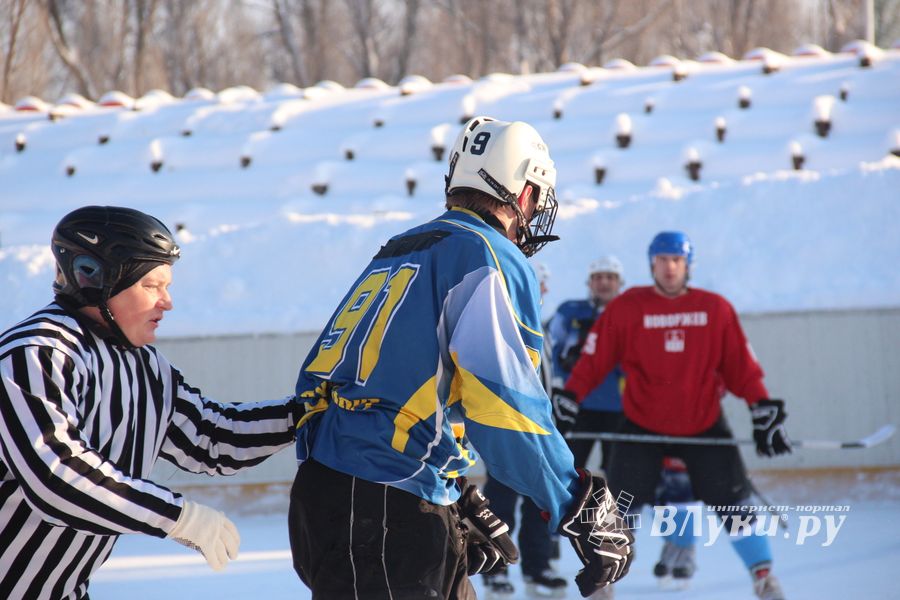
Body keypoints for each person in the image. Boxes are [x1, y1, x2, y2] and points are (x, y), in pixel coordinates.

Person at [288, 116, 634, 600]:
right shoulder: (485, 254)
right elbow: (505, 407)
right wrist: (575, 502)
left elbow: (325, 386)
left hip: (337, 494)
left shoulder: (398, 249)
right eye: (535, 194)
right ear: (521, 191)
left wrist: (450, 486)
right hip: (386, 508)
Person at [0, 206, 301, 600]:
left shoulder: (146, 367)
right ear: (93, 279)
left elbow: (213, 438)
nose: (167, 302)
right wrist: (179, 517)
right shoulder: (35, 354)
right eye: (151, 286)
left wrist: (310, 410)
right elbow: (55, 476)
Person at [555, 231, 791, 600]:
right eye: (662, 260)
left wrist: (760, 405)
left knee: (735, 504)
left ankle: (763, 576)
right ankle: (603, 582)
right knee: (617, 509)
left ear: (688, 265)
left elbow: (741, 367)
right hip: (642, 428)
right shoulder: (627, 307)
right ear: (651, 265)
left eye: (676, 260)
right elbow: (593, 361)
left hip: (704, 426)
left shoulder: (716, 309)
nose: (669, 267)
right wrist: (571, 396)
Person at [481, 260, 567, 599]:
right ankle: (494, 567)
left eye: (542, 285)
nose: (539, 292)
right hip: (508, 430)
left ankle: (538, 566)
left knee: (540, 501)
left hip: (541, 434)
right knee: (501, 500)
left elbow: (548, 380)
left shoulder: (541, 329)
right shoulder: (505, 328)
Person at [548, 255, 625, 473]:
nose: (604, 283)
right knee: (570, 469)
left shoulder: (631, 315)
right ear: (589, 282)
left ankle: (622, 509)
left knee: (620, 472)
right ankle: (572, 508)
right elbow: (551, 348)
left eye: (610, 277)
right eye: (598, 277)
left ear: (620, 283)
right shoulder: (569, 311)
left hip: (620, 406)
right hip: (577, 404)